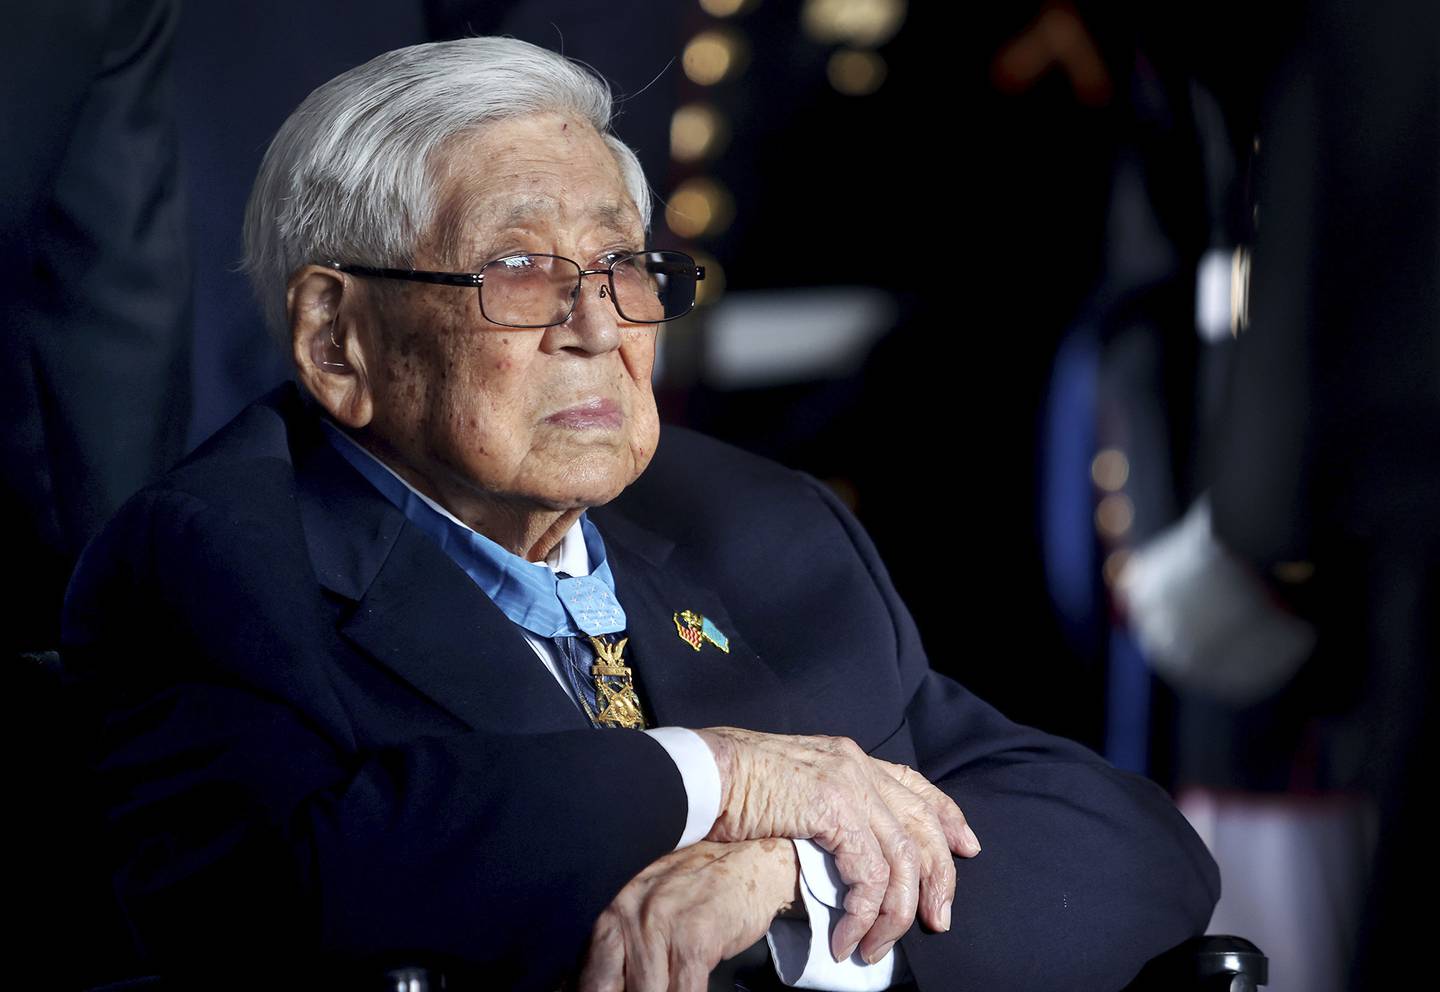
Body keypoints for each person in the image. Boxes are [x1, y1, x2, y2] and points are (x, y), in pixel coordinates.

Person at [63, 37, 1219, 991]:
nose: (601, 325)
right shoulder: (215, 556)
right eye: (519, 268)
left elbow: (1131, 846)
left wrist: (795, 878)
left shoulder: (758, 519)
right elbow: (276, 893)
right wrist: (717, 778)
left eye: (623, 263)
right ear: (338, 340)